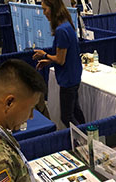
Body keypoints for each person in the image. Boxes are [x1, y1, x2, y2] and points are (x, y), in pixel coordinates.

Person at [33, 0, 85, 128]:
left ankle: (84, 140)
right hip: (73, 76)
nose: (44, 13)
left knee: (66, 116)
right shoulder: (67, 25)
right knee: (76, 112)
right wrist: (49, 60)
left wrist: (44, 55)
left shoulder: (61, 30)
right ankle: (88, 136)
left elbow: (61, 60)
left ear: (53, 9)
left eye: (45, 9)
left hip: (68, 79)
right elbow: (63, 57)